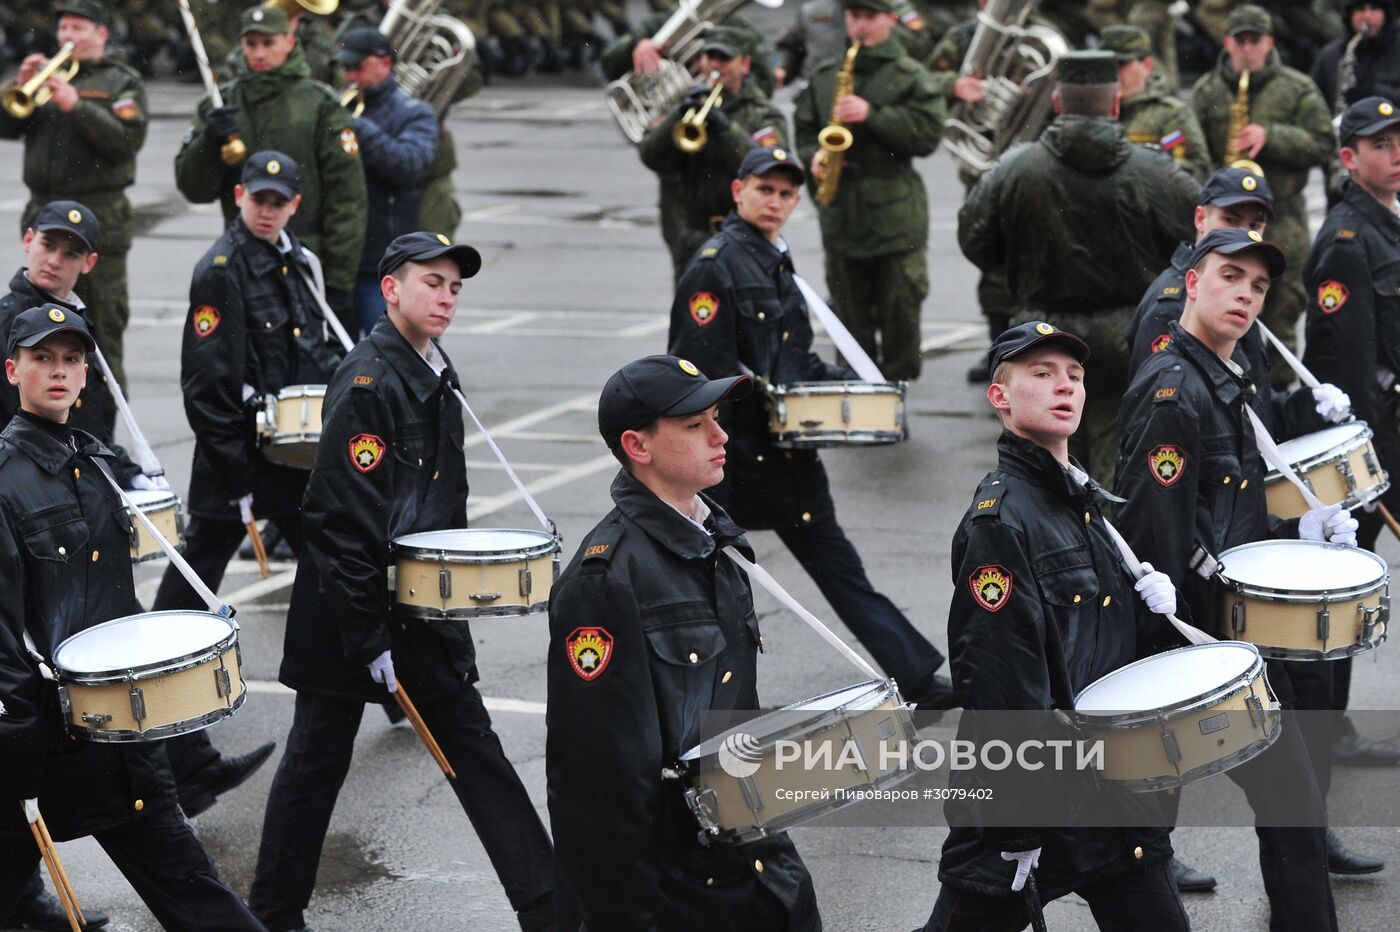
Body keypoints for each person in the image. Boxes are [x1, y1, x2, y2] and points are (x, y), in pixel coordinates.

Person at [249, 231, 556, 932]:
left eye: (454, 287)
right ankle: (272, 912)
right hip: (351, 608)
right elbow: (339, 522)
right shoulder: (369, 383)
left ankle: (550, 908)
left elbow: (447, 506)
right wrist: (367, 637)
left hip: (420, 605)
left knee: (476, 753)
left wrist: (455, 603)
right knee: (314, 766)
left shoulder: (433, 370)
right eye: (431, 283)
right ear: (391, 289)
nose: (446, 297)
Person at [1115, 227, 1355, 931]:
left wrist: (1300, 534)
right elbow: (1157, 537)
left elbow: (1232, 513)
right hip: (1191, 640)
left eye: (1257, 285)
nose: (1245, 295)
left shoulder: (1229, 374)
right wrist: (1201, 635)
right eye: (1229, 276)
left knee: (1287, 802)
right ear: (1191, 283)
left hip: (1224, 633)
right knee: (1129, 841)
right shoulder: (1171, 392)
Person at [0, 305, 264, 931]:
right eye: (42, 358)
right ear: (14, 371)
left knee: (190, 884)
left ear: (87, 373)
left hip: (114, 729)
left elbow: (117, 605)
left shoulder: (96, 465)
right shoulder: (5, 479)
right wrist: (17, 751)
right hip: (37, 738)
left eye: (70, 359)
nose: (58, 371)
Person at [921, 321, 1189, 931]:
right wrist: (1017, 821)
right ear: (1001, 397)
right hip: (1034, 794)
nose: (1063, 386)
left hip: (1108, 786)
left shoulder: (1084, 501)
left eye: (1074, 376)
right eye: (1041, 375)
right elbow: (998, 680)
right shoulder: (1000, 520)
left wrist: (1159, 618)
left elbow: (1105, 654)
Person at [669, 146, 954, 711]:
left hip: (789, 459)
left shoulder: (777, 258)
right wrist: (768, 395)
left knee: (845, 574)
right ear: (737, 191)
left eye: (785, 193)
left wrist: (845, 385)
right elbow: (694, 370)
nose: (775, 202)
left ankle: (917, 679)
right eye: (764, 189)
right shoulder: (714, 264)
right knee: (714, 595)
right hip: (733, 459)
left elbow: (794, 356)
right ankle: (708, 714)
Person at [547, 354, 821, 930]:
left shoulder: (714, 542)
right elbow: (598, 782)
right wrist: (631, 915)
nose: (721, 435)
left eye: (717, 417)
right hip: (678, 885)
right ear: (638, 446)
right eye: (695, 426)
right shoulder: (606, 581)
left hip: (750, 848)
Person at [154, 150, 347, 818]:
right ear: (239, 196)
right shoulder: (221, 269)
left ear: (295, 204)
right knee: (186, 600)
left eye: (279, 200)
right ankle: (167, 742)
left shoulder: (298, 262)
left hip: (290, 460)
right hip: (234, 462)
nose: (267, 209)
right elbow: (205, 382)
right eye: (257, 198)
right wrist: (235, 475)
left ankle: (380, 681)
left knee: (331, 565)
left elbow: (316, 351)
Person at [959, 50, 1198, 486]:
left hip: (1040, 331)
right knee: (1120, 463)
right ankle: (1111, 546)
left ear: (1056, 103)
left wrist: (1025, 269)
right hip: (1130, 335)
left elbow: (975, 240)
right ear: (1114, 104)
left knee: (1039, 467)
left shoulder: (1016, 167)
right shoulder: (1154, 172)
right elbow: (1193, 243)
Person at [1302, 96, 1400, 770]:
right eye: (1380, 143)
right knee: (1343, 586)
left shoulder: (1388, 222)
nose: (1395, 153)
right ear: (1347, 158)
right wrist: (1365, 468)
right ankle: (1326, 730)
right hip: (1371, 444)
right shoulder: (1345, 241)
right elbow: (1348, 365)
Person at [175, 4, 367, 333]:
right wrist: (208, 142)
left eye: (269, 43)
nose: (259, 53)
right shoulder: (221, 103)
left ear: (289, 41)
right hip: (240, 260)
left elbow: (347, 199)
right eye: (251, 44)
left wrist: (336, 282)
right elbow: (193, 187)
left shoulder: (319, 104)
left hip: (306, 258)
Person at [0, 0, 147, 416]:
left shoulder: (121, 82)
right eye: (63, 26)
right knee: (36, 336)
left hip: (96, 220)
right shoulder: (48, 77)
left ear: (100, 34)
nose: (67, 35)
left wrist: (76, 105)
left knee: (100, 341)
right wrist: (22, 82)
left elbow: (125, 142)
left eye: (78, 28)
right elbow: (8, 123)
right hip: (45, 215)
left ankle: (104, 447)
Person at [794, 0, 946, 382]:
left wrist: (874, 116)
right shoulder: (827, 73)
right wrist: (815, 156)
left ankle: (895, 390)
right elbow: (805, 126)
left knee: (900, 310)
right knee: (848, 311)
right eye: (853, 16)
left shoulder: (910, 74)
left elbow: (928, 134)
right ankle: (856, 391)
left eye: (868, 17)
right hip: (842, 209)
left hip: (894, 210)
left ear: (889, 20)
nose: (859, 25)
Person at [1190, 3, 1332, 385]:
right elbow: (1191, 152)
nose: (1248, 49)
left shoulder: (1296, 87)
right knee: (1220, 319)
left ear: (1269, 42)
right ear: (1227, 43)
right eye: (1241, 41)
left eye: (1256, 41)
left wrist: (1271, 135)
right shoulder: (1206, 91)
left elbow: (1324, 144)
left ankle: (1280, 401)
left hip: (1283, 222)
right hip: (1225, 223)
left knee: (1281, 319)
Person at [639, 25, 789, 279]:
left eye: (725, 59)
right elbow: (651, 157)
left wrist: (726, 131)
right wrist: (676, 116)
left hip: (747, 234)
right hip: (694, 235)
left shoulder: (762, 113)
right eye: (710, 57)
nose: (716, 65)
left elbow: (772, 169)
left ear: (744, 64)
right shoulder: (686, 107)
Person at [331, 27, 439, 337]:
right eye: (346, 68)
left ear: (385, 63)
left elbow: (407, 166)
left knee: (397, 358)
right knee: (334, 366)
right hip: (340, 263)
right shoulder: (338, 108)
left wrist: (356, 128)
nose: (350, 75)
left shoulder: (415, 113)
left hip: (385, 264)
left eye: (358, 67)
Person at [1101, 25, 1211, 182]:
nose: (1114, 72)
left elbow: (1196, 171)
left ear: (1147, 66)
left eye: (1122, 64)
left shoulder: (1171, 114)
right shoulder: (1091, 108)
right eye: (1107, 64)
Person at [775, 0, 934, 88]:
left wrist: (882, 23)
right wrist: (782, 68)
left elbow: (922, 45)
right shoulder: (812, 10)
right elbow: (790, 46)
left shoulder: (892, 5)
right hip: (820, 89)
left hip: (881, 90)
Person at [1312, 1, 1400, 109]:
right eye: (1360, 9)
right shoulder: (1331, 54)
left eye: (1374, 8)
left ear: (1386, 13)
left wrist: (1375, 91)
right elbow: (1314, 98)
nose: (1367, 16)